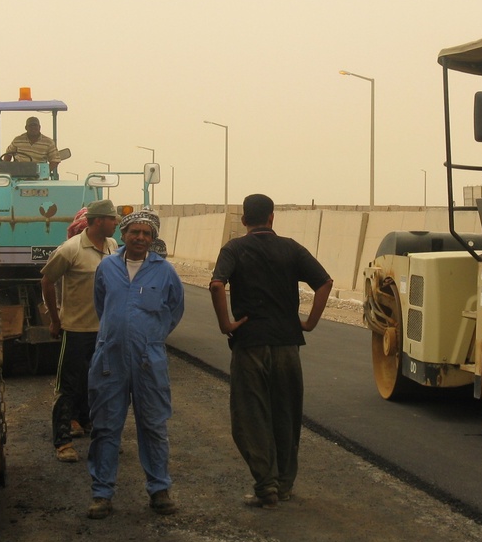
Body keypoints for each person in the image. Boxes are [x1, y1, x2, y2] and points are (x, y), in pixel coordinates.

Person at [209, 194, 333, 509]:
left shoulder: (234, 248)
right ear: (272, 217)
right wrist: (309, 323)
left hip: (250, 344)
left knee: (250, 415)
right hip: (288, 344)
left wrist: (226, 323)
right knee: (286, 414)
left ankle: (266, 485)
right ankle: (285, 484)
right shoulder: (291, 248)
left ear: (244, 220)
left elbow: (216, 285)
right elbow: (325, 282)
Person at [87, 209, 184, 520]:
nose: (140, 238)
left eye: (146, 233)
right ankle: (102, 493)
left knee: (154, 425)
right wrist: (118, 333)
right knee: (105, 427)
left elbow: (175, 310)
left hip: (148, 361)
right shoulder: (107, 267)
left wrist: (150, 338)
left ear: (153, 238)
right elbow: (102, 305)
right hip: (110, 359)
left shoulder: (165, 272)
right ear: (124, 235)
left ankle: (159, 489)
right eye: (134, 232)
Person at [41, 199, 120, 464]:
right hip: (76, 330)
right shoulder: (70, 250)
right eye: (112, 219)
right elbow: (47, 281)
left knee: (102, 385)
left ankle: (100, 434)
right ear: (98, 221)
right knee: (68, 387)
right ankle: (63, 442)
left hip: (105, 332)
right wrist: (55, 319)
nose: (116, 223)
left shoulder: (112, 247)